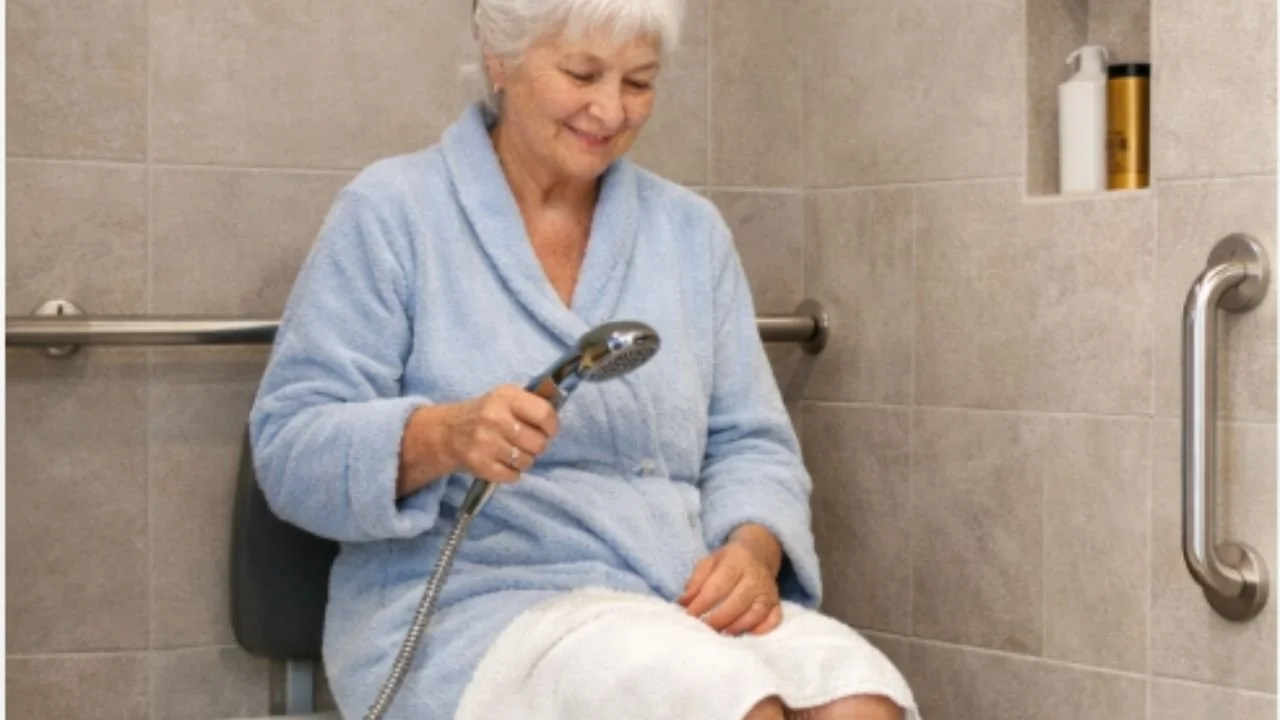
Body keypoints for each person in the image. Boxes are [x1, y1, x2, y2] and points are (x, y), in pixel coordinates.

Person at [248, 0, 919, 718]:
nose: (610, 109)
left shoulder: (690, 234)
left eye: (638, 82)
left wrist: (752, 552)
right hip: (470, 611)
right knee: (730, 706)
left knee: (860, 700)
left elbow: (750, 442)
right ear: (499, 60)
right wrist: (440, 435)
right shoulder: (393, 213)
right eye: (582, 72)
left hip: (668, 592)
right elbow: (290, 443)